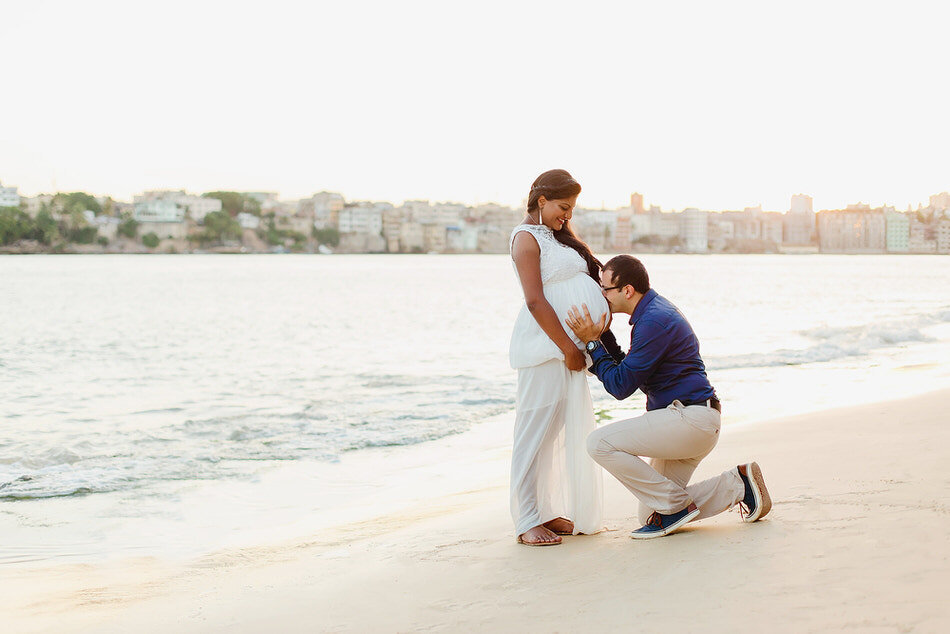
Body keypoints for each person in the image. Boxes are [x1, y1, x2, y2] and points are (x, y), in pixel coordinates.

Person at [564, 255, 771, 539]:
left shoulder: (654, 321)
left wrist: (592, 343)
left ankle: (676, 506)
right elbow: (629, 370)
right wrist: (603, 336)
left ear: (627, 290)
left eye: (605, 288)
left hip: (689, 420)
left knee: (598, 443)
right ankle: (738, 485)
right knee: (651, 512)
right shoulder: (652, 314)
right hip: (692, 420)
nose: (602, 295)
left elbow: (620, 386)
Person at [507, 169, 622, 546]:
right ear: (542, 201)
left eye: (571, 209)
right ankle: (526, 520)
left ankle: (547, 510)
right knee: (534, 434)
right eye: (563, 207)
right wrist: (570, 348)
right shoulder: (526, 239)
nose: (567, 216)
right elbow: (535, 300)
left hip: (569, 352)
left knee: (557, 433)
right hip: (547, 351)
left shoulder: (555, 238)